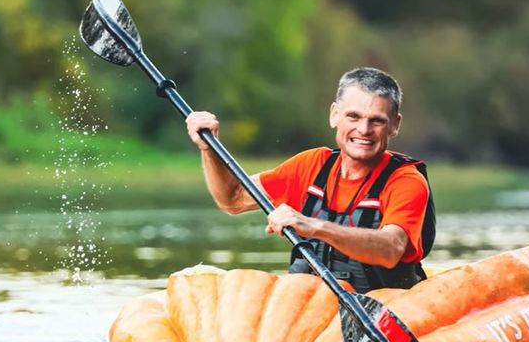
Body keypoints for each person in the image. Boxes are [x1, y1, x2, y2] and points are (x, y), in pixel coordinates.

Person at [185, 67, 433, 293]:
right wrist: (209, 148)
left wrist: (314, 226)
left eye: (377, 120)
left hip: (385, 314)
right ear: (335, 115)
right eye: (353, 117)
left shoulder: (406, 181)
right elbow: (233, 198)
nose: (364, 130)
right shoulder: (311, 166)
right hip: (312, 311)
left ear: (394, 125)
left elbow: (391, 249)